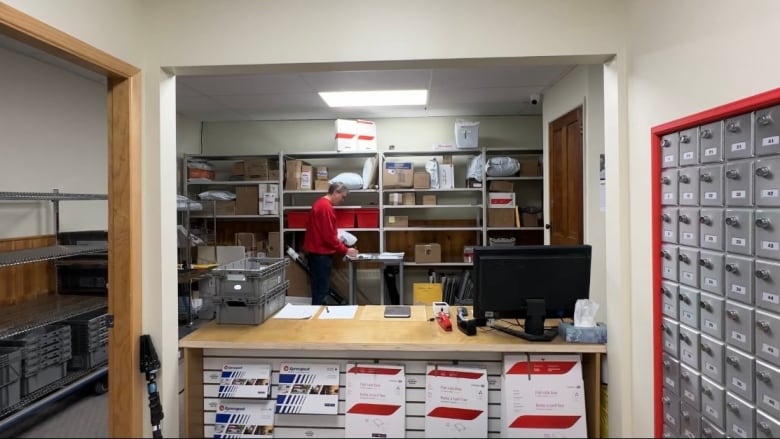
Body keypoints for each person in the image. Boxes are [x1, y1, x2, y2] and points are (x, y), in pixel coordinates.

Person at [303, 182, 358, 305]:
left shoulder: (319, 204)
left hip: (316, 253)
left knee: (318, 289)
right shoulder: (325, 207)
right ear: (335, 192)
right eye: (343, 196)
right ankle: (318, 321)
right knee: (321, 291)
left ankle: (317, 318)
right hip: (321, 255)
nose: (343, 200)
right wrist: (346, 250)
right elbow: (328, 237)